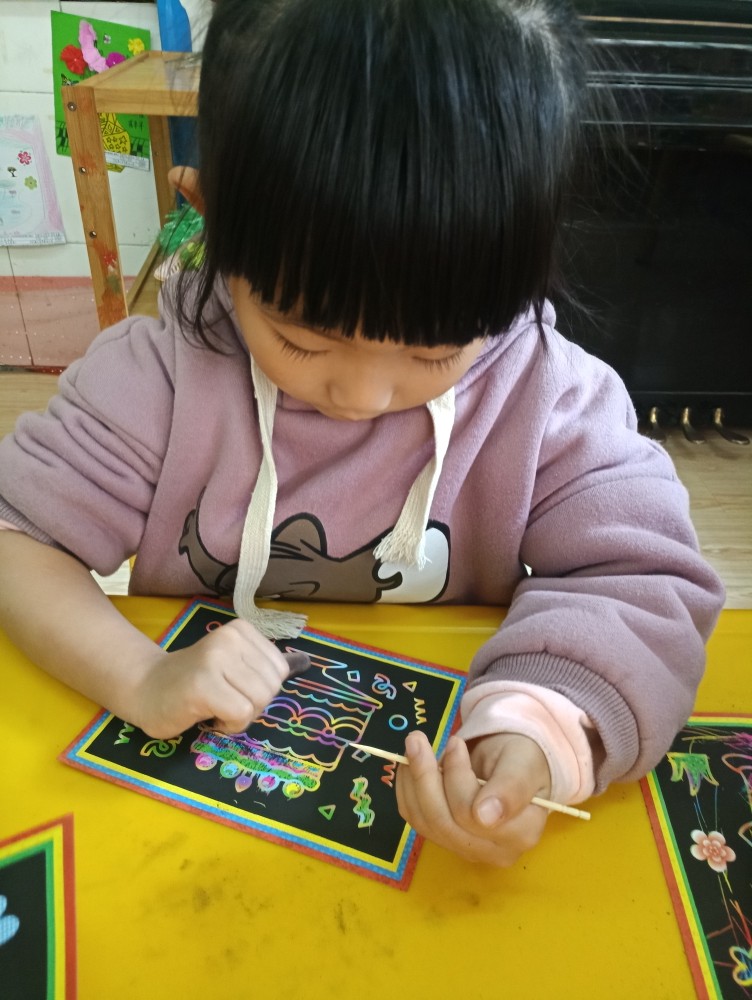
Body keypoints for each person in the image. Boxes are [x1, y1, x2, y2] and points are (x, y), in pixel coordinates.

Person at [0, 0, 723, 867]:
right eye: (303, 338)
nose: (362, 394)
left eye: (433, 350)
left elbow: (641, 584)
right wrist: (141, 675)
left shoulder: (551, 398)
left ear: (521, 261)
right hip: (189, 817)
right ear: (208, 215)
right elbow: (18, 540)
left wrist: (538, 729)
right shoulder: (159, 376)